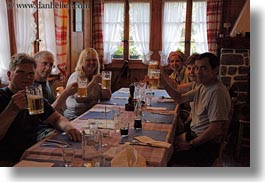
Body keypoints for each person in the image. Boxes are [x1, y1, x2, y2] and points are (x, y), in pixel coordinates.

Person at [0, 53, 81, 166]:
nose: (27, 77)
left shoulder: (33, 96)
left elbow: (56, 118)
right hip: (7, 161)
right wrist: (12, 109)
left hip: (32, 154)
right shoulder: (2, 96)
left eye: (31, 73)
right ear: (9, 75)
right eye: (20, 72)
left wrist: (69, 128)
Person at [161, 52, 231, 166]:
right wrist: (163, 81)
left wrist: (191, 144)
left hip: (205, 145)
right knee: (165, 141)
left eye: (203, 68)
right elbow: (179, 98)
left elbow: (215, 129)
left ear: (216, 70)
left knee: (165, 156)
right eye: (197, 68)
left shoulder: (217, 92)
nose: (198, 72)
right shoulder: (203, 86)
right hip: (194, 134)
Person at [64, 48, 112, 120]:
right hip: (75, 116)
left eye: (94, 60)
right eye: (88, 60)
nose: (92, 62)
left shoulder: (96, 76)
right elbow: (79, 99)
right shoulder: (76, 76)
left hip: (92, 114)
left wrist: (104, 85)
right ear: (82, 62)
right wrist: (93, 83)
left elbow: (107, 97)